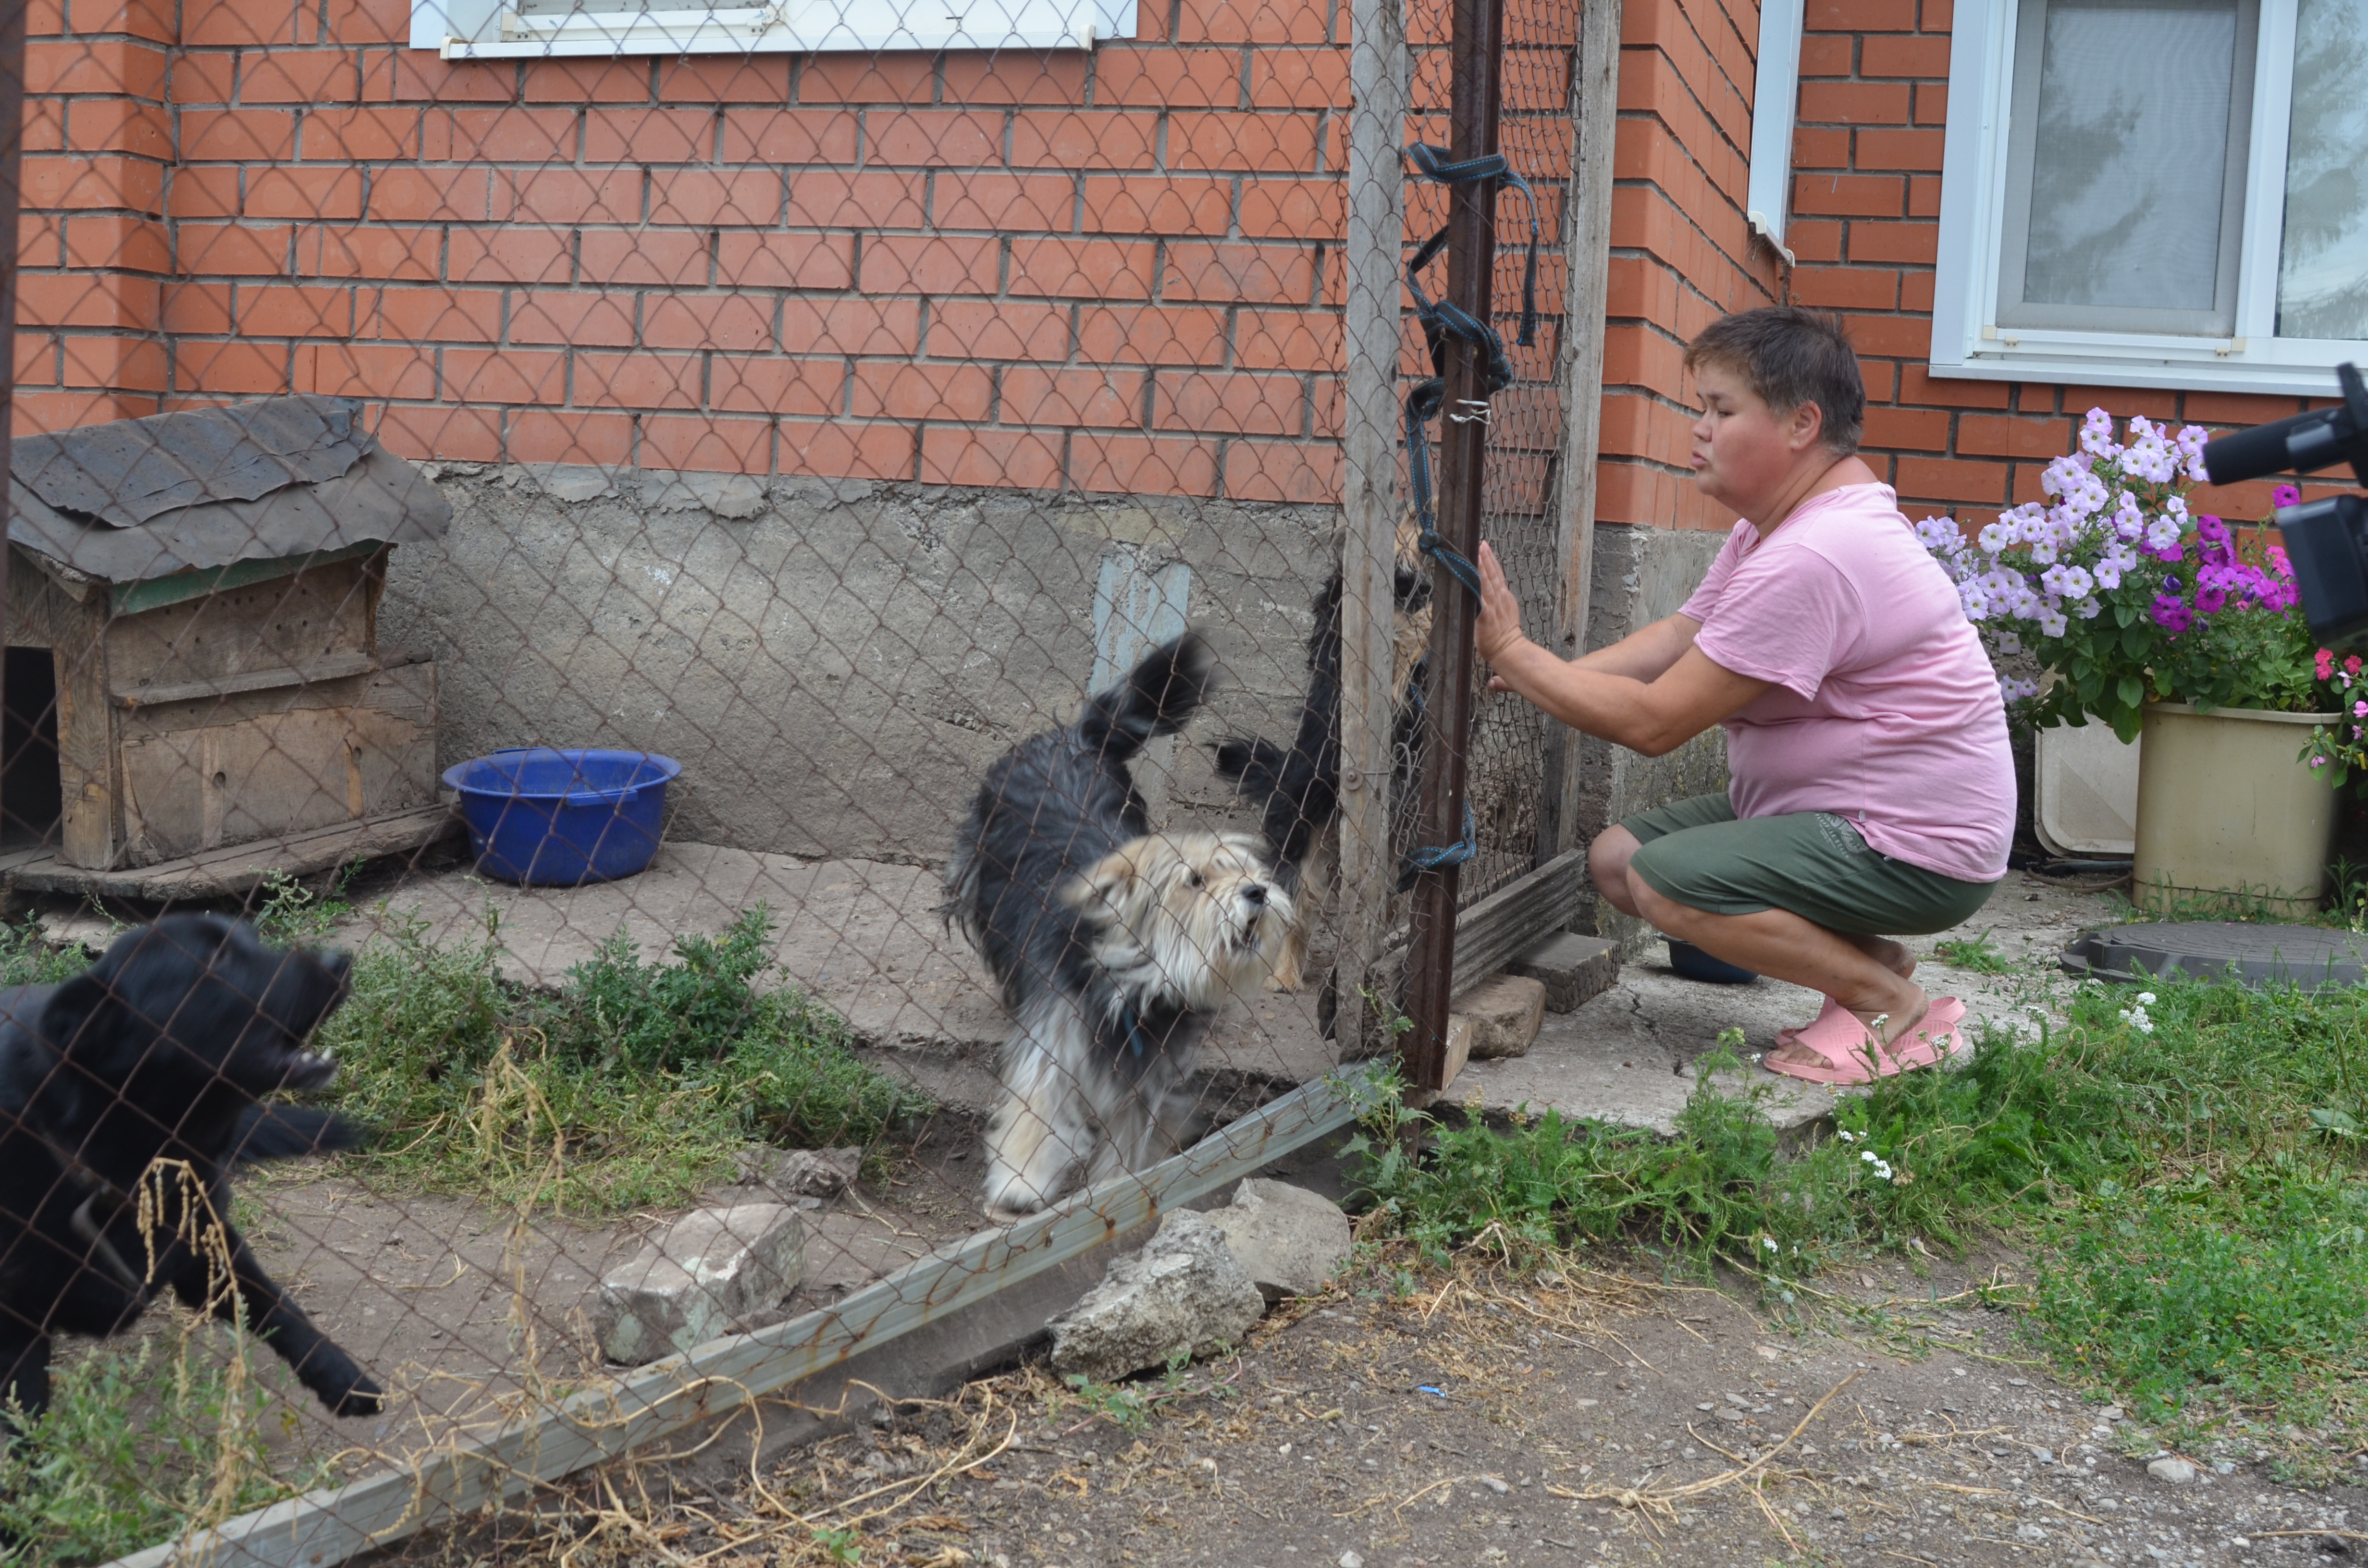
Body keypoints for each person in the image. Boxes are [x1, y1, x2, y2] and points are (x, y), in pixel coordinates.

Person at [1471, 306, 2013, 1081]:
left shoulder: (1818, 554)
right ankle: (1871, 962)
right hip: (1841, 811)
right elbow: (1680, 637)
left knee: (1668, 883)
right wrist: (1537, 673)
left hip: (1913, 849)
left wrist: (1521, 656)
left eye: (1721, 410)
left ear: (1802, 425)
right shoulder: (1781, 526)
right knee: (1620, 859)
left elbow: (1658, 723)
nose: (1698, 429)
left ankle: (1888, 1005)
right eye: (1702, 407)